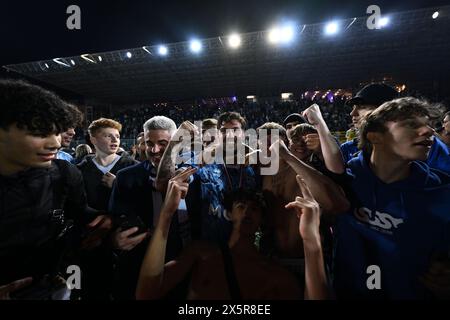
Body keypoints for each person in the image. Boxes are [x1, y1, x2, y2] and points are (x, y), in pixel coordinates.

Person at [136, 169, 329, 300]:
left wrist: (312, 241)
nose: (247, 212)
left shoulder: (276, 274)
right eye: (241, 206)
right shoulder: (201, 253)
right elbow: (146, 293)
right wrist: (167, 214)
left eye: (254, 209)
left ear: (262, 220)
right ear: (229, 213)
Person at [332, 97, 450, 299]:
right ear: (375, 136)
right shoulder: (342, 182)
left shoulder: (442, 191)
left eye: (429, 125)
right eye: (411, 125)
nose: (429, 131)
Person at [0, 79, 108, 299]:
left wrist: (110, 222)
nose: (55, 143)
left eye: (57, 132)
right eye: (40, 132)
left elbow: (80, 215)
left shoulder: (64, 174)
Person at [156, 112, 259, 245]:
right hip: (209, 253)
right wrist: (174, 143)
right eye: (223, 131)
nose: (229, 135)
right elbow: (163, 184)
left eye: (235, 130)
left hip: (246, 250)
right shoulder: (202, 163)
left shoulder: (253, 167)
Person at [109, 116, 184, 299]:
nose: (155, 149)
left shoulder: (192, 175)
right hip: (138, 264)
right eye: (149, 143)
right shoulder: (125, 177)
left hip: (182, 263)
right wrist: (113, 239)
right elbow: (114, 219)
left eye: (163, 143)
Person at [77, 118, 137, 299]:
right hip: (91, 242)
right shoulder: (79, 169)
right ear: (93, 140)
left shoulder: (132, 166)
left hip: (125, 243)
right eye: (108, 136)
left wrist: (118, 187)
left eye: (117, 136)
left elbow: (143, 205)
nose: (115, 140)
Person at [340, 83, 398, 163]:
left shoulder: (411, 150)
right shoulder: (348, 149)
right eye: (353, 107)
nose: (352, 113)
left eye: (362, 107)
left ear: (387, 111)